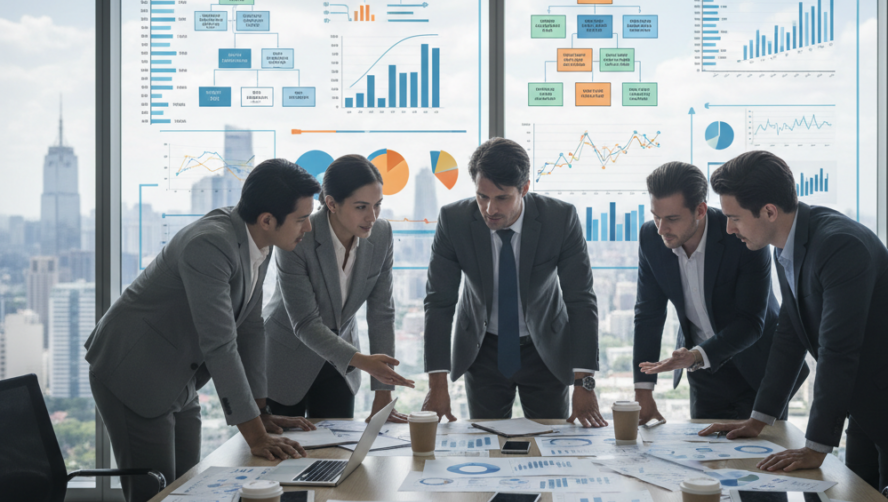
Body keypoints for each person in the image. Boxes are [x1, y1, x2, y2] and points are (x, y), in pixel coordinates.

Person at [700, 151, 888, 502]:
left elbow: (837, 349)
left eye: (734, 217)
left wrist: (816, 446)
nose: (730, 229)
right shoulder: (788, 245)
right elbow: (790, 334)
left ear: (768, 211)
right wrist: (759, 418)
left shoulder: (839, 244)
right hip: (869, 396)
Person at [86, 159, 322, 502]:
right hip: (134, 370)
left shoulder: (261, 241)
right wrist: (256, 436)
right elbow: (220, 343)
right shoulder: (211, 244)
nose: (308, 227)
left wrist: (261, 412)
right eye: (302, 218)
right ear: (267, 219)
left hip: (179, 372)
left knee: (185, 491)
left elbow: (250, 327)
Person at [421, 137, 605, 425]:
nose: (490, 209)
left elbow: (581, 300)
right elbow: (439, 303)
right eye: (482, 196)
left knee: (551, 441)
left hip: (545, 349)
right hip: (482, 350)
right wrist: (437, 385)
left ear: (524, 189)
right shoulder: (453, 220)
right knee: (487, 440)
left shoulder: (560, 218)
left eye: (502, 198)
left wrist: (584, 384)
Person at [633, 162, 807, 422]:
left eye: (672, 219)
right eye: (656, 216)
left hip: (758, 367)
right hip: (702, 371)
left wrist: (696, 356)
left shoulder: (742, 234)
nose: (661, 229)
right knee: (702, 446)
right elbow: (648, 314)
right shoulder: (651, 238)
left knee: (758, 447)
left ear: (700, 210)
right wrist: (643, 391)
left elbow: (751, 322)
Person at [265, 154, 414, 422]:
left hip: (342, 364)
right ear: (332, 203)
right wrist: (364, 362)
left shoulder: (381, 234)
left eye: (377, 205)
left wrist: (383, 394)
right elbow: (305, 323)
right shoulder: (298, 235)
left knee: (338, 444)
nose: (372, 217)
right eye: (361, 207)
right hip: (287, 360)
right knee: (285, 446)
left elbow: (382, 313)